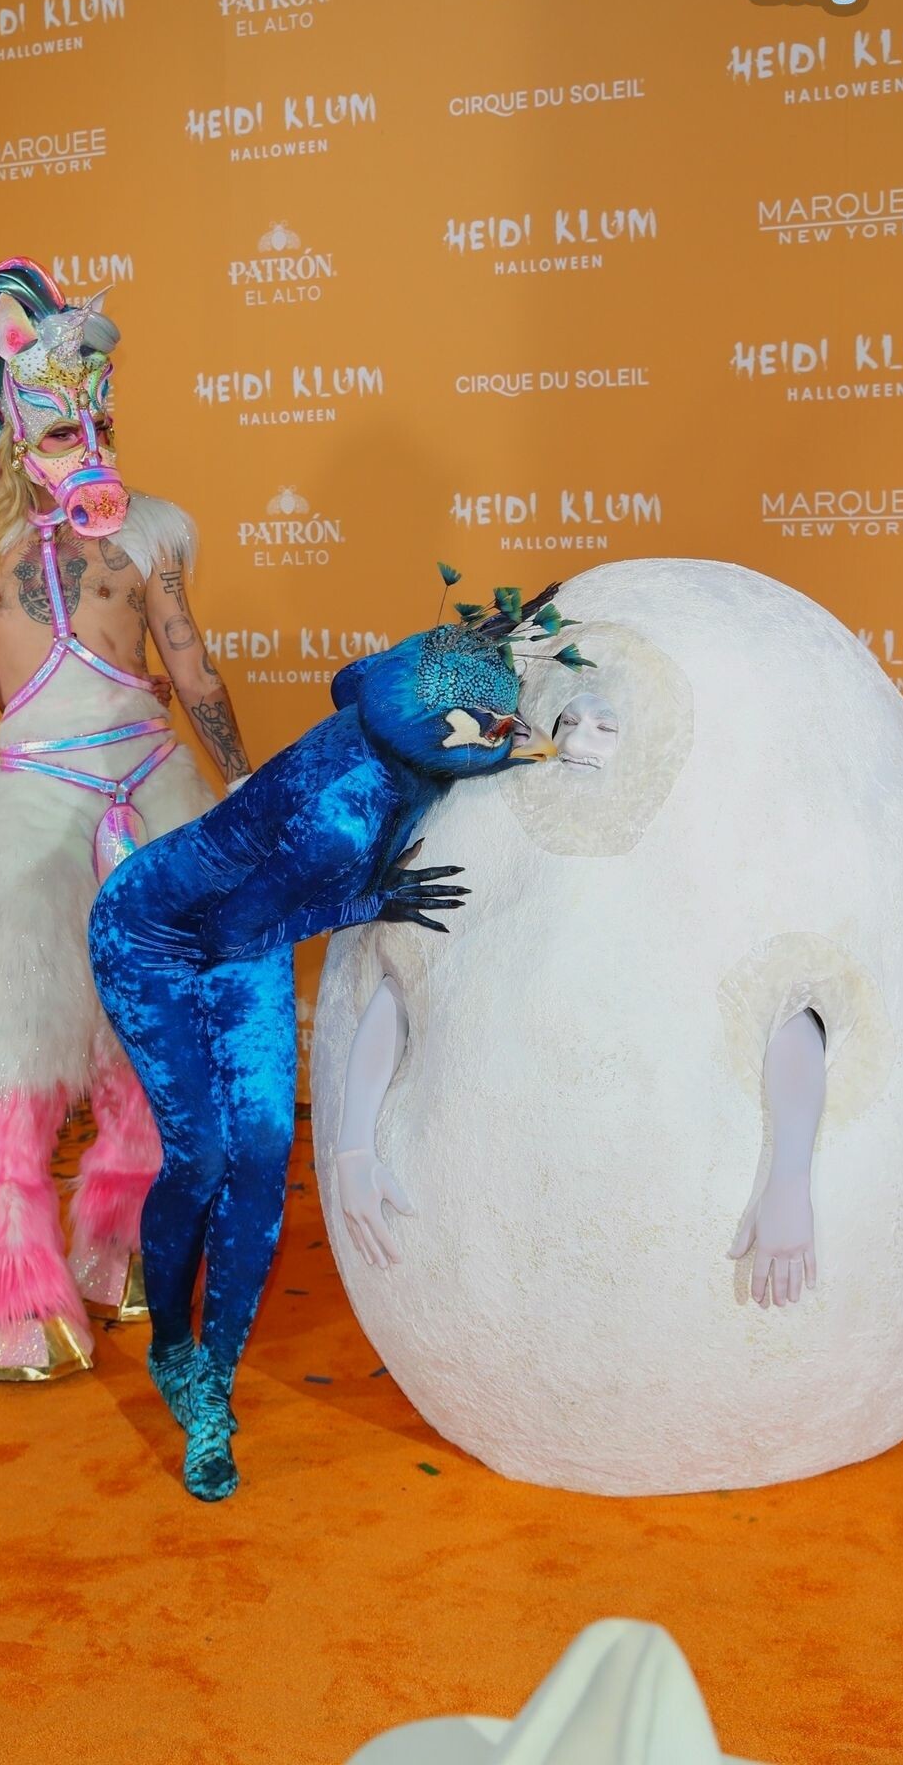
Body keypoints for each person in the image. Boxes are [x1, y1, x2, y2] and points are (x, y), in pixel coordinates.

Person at [89, 578, 573, 1500]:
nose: (511, 734)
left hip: (241, 925)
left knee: (262, 1160)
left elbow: (352, 680)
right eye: (493, 728)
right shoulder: (344, 820)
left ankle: (212, 1388)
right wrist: (369, 901)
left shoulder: (386, 693)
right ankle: (172, 1349)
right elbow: (236, 930)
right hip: (154, 937)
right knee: (201, 1157)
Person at [0, 257, 251, 1382]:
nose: (91, 446)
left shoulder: (151, 532)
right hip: (41, 801)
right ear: (18, 432)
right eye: (66, 427)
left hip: (149, 787)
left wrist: (240, 793)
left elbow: (191, 670)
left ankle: (120, 1247)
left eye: (102, 423)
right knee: (23, 1032)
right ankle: (6, 1288)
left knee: (157, 1029)